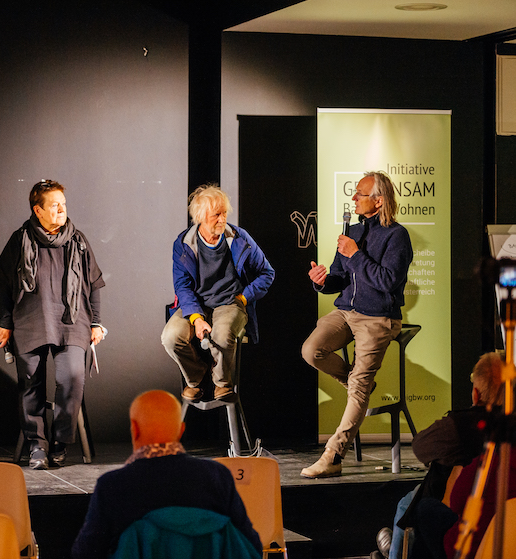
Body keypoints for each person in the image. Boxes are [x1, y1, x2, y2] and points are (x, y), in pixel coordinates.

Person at [301, 171, 413, 479]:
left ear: (378, 201)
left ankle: (334, 455)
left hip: (378, 316)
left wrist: (356, 254)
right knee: (311, 350)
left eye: (360, 194)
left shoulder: (397, 236)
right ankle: (355, 383)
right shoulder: (351, 231)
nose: (353, 198)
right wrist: (322, 281)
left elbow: (387, 282)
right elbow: (339, 278)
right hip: (346, 312)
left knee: (360, 387)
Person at [0, 180, 105, 470]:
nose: (62, 209)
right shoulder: (20, 239)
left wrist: (96, 322)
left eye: (63, 204)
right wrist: (5, 322)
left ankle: (60, 443)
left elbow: (93, 284)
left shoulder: (77, 240)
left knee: (72, 377)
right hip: (30, 320)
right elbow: (3, 285)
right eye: (55, 205)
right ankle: (37, 445)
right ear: (37, 210)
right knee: (30, 383)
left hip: (72, 321)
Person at [71, 390, 262, 559]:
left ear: (134, 429)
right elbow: (250, 545)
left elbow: (86, 553)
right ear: (181, 430)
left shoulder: (112, 485)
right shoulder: (218, 476)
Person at [373, 353, 504, 559]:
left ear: (475, 394)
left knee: (408, 505)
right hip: (501, 511)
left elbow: (420, 447)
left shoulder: (459, 426)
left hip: (459, 507)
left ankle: (396, 554)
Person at [161, 184, 274, 402]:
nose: (222, 219)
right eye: (216, 215)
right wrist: (196, 318)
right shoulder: (184, 244)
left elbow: (267, 273)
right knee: (171, 337)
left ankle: (222, 382)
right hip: (196, 304)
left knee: (222, 335)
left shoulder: (239, 238)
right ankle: (197, 377)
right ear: (201, 217)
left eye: (224, 213)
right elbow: (182, 286)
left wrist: (244, 297)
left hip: (230, 302)